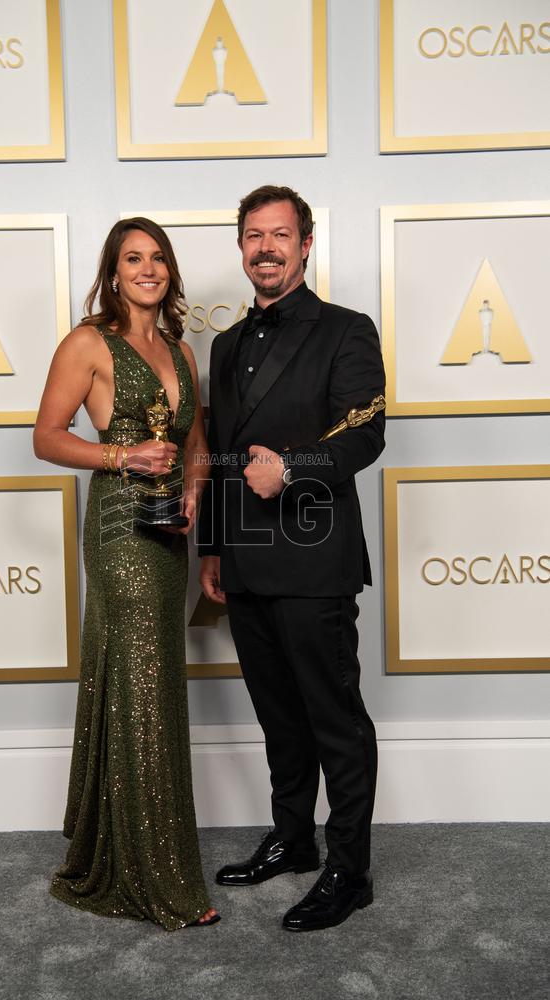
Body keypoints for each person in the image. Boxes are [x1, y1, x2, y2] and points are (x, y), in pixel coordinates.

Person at [198, 185, 385, 932]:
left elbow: (366, 433)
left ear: (306, 245)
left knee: (334, 720)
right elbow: (215, 457)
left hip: (315, 562)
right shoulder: (224, 343)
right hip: (243, 560)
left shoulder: (347, 330)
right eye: (253, 235)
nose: (265, 247)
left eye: (280, 234)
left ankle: (350, 868)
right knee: (279, 717)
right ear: (241, 247)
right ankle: (294, 839)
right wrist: (213, 548)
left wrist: (295, 465)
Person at [34, 217, 219, 930]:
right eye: (133, 258)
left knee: (151, 685)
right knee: (143, 692)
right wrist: (122, 458)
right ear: (114, 272)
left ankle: (123, 847)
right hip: (118, 530)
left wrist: (196, 493)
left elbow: (195, 442)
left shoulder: (181, 350)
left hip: (168, 532)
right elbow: (47, 437)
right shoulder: (88, 343)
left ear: (170, 272)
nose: (149, 269)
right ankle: (156, 880)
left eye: (159, 258)